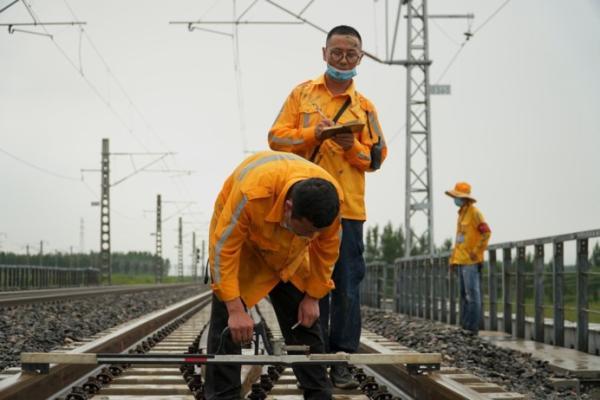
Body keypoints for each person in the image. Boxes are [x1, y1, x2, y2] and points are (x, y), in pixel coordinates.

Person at [268, 25, 387, 389]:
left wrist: (352, 146)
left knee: (347, 287)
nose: (343, 59)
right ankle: (313, 357)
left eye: (351, 54)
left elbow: (378, 157)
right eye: (337, 52)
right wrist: (312, 135)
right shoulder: (302, 95)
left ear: (360, 58)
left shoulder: (365, 108)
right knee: (305, 282)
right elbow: (275, 138)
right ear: (324, 53)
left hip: (347, 209)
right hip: (304, 207)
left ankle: (341, 361)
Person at [205, 151, 343, 400]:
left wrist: (313, 296)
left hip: (290, 256)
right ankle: (223, 396)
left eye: (314, 233)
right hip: (246, 250)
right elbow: (223, 249)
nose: (311, 238)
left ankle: (319, 395)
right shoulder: (252, 193)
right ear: (289, 208)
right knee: (227, 327)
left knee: (306, 321)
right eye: (306, 232)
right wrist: (236, 310)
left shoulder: (330, 203)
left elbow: (327, 251)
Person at [445, 182, 492, 335]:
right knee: (464, 296)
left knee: (473, 295)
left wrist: (476, 251)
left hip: (471, 262)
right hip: (461, 261)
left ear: (463, 198)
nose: (455, 199)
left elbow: (486, 233)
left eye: (457, 197)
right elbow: (459, 240)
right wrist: (453, 260)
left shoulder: (475, 213)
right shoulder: (462, 213)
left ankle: (472, 328)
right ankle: (464, 327)